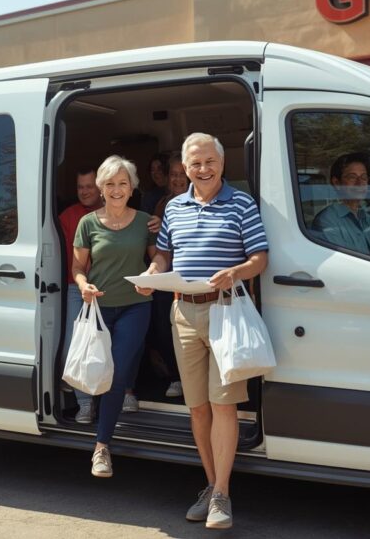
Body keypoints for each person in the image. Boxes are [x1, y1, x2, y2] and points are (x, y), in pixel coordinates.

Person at [137, 133, 269, 530]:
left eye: (209, 161)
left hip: (226, 313)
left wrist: (236, 272)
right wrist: (151, 273)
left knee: (223, 405)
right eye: (194, 163)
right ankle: (212, 487)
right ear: (185, 166)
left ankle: (222, 495)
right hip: (184, 313)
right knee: (197, 408)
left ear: (222, 163)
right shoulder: (174, 207)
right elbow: (163, 255)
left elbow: (260, 257)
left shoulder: (242, 204)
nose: (202, 169)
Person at [72, 155, 157, 478]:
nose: (117, 189)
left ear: (132, 187)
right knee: (103, 372)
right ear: (101, 188)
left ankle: (101, 447)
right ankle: (103, 418)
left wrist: (152, 272)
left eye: (123, 183)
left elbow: (158, 258)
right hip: (99, 308)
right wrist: (83, 285)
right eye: (110, 184)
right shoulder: (88, 223)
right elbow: (78, 267)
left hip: (136, 307)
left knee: (116, 373)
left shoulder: (146, 221)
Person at [58, 167, 102, 423]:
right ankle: (84, 403)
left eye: (89, 186)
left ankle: (119, 396)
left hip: (109, 289)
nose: (85, 191)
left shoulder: (113, 212)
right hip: (76, 288)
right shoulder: (68, 216)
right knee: (75, 348)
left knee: (107, 347)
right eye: (80, 187)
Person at [149, 158, 189, 398]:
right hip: (165, 276)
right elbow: (156, 244)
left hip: (192, 280)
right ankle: (176, 377)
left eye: (182, 174)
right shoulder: (162, 203)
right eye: (173, 174)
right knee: (165, 329)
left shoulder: (198, 201)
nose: (177, 179)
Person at [311, 152, 370, 256]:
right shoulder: (327, 221)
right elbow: (342, 262)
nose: (360, 183)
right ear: (337, 183)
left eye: (364, 177)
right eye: (352, 177)